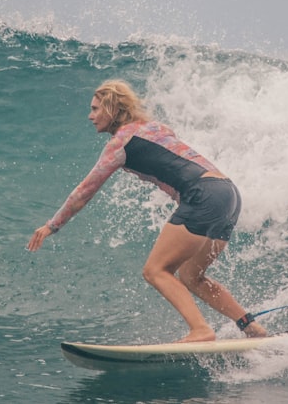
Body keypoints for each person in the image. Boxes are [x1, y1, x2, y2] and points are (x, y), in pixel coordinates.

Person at [27, 79, 267, 343]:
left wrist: (52, 225)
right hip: (228, 192)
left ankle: (201, 330)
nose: (90, 116)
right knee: (191, 276)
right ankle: (250, 326)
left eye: (96, 109)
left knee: (155, 271)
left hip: (203, 195)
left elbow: (84, 192)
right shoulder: (156, 127)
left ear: (112, 109)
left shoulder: (120, 144)